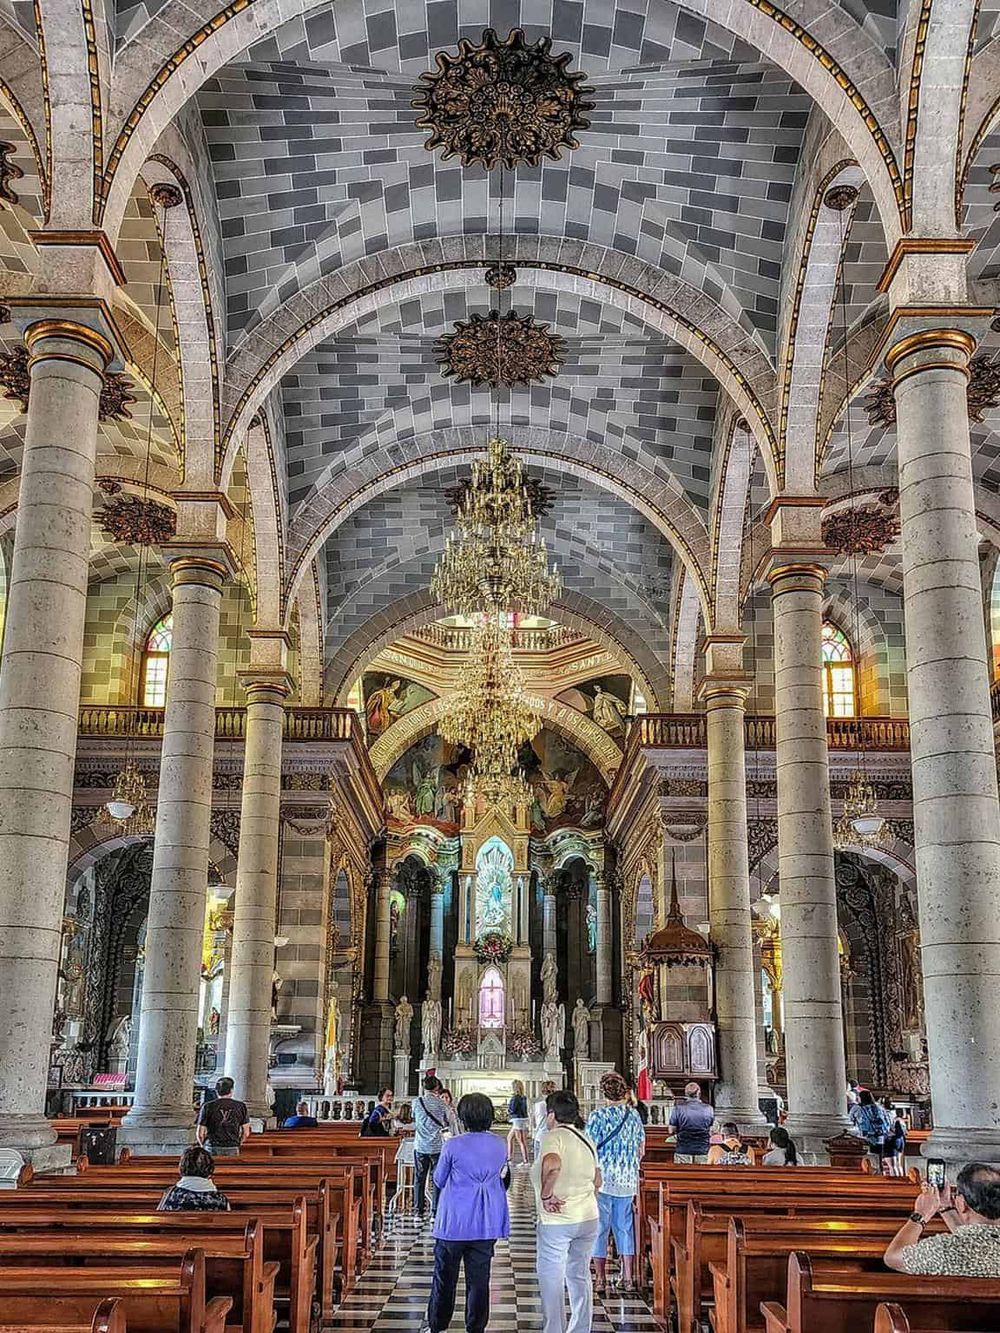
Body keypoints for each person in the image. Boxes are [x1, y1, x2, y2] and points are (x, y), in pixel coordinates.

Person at [422, 1093, 510, 1333]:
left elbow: (438, 1179)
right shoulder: (500, 1144)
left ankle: (437, 1326)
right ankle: (476, 1328)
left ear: (463, 1116)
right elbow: (504, 1176)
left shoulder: (453, 1144)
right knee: (479, 1281)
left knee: (444, 1279)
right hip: (485, 1222)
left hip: (454, 1222)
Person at [532, 1090, 601, 1333]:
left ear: (551, 1115)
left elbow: (552, 1163)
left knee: (551, 1277)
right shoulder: (586, 1138)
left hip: (558, 1219)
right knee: (579, 1274)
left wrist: (546, 1194)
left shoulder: (554, 1136)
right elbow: (598, 1180)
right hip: (588, 1217)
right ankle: (581, 1328)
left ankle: (554, 1329)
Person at [585, 1071, 646, 1294]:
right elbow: (641, 1150)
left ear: (604, 1094)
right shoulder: (634, 1117)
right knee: (624, 1227)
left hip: (602, 1179)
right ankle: (628, 1278)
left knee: (600, 1228)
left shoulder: (597, 1117)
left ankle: (600, 1278)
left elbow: (589, 1148)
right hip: (627, 1179)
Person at [884, 1164, 1000, 1276]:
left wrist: (921, 1214)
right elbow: (973, 1236)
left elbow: (892, 1257)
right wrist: (945, 1207)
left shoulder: (943, 1249)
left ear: (961, 1204)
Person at [414, 1075, 458, 1219]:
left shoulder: (416, 1102)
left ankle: (418, 1211)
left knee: (419, 1178)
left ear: (423, 1087)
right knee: (437, 1178)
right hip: (438, 1146)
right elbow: (449, 1122)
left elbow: (414, 1118)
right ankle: (435, 1212)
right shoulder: (441, 1104)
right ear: (437, 1088)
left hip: (420, 1145)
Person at [157, 1146, 231, 1212]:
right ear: (210, 1169)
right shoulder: (221, 1200)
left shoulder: (171, 1194)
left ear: (182, 1168)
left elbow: (159, 1217)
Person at [196, 1076, 250, 1157]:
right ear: (231, 1090)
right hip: (232, 1146)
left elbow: (200, 1133)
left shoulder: (207, 1106)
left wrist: (203, 1145)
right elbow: (246, 1133)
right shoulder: (241, 1106)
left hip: (212, 1146)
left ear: (216, 1091)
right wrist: (238, 1143)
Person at [669, 1081, 715, 1164]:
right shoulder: (709, 1109)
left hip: (683, 1149)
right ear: (699, 1093)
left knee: (682, 1174)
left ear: (686, 1093)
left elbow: (671, 1131)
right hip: (702, 1149)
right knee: (702, 1174)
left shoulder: (678, 1109)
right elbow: (711, 1129)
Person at [849, 1088, 893, 1162]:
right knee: (878, 1158)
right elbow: (887, 1120)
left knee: (867, 1160)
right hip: (880, 1136)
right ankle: (879, 1170)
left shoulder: (857, 1108)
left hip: (865, 1136)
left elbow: (850, 1119)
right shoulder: (879, 1107)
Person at [881, 1099, 907, 1176]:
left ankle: (895, 1183)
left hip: (890, 1140)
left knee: (892, 1166)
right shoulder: (897, 1117)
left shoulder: (885, 1116)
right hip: (900, 1140)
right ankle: (902, 1180)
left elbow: (884, 1129)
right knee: (899, 1165)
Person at [507, 1079, 530, 1165]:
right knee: (510, 1137)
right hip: (522, 1119)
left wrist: (508, 1111)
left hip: (517, 1119)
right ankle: (509, 1158)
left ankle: (525, 1161)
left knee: (521, 1140)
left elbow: (512, 1109)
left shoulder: (515, 1097)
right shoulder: (523, 1097)